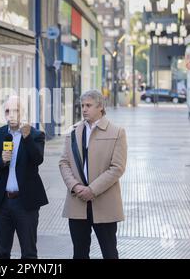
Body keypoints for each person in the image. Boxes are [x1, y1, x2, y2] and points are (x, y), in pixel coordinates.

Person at [59, 89, 127, 259]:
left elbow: (117, 167)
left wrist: (92, 189)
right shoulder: (73, 131)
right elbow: (64, 162)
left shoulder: (117, 132)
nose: (84, 109)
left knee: (110, 253)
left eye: (88, 105)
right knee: (79, 253)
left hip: (104, 203)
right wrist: (75, 186)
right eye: (82, 105)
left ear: (100, 107)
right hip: (77, 202)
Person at [0, 96, 48, 259]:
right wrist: (2, 160)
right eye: (8, 111)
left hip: (25, 203)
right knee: (2, 253)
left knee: (28, 253)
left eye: (16, 111)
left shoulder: (36, 135)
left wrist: (26, 138)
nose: (11, 115)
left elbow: (38, 160)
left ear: (23, 113)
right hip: (1, 203)